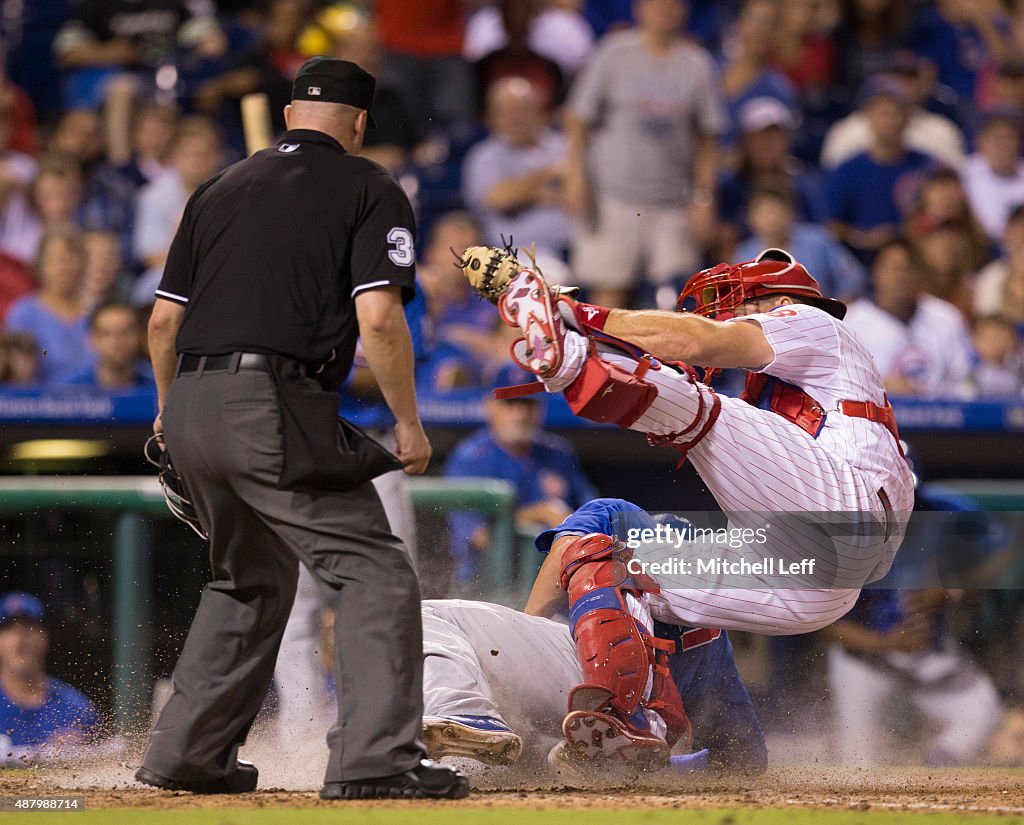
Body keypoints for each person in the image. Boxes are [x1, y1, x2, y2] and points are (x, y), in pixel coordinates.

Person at [137, 56, 467, 800]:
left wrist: (170, 409)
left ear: (289, 115)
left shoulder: (217, 186)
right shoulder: (370, 185)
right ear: (358, 124)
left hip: (188, 400)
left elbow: (163, 321)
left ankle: (187, 753)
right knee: (375, 571)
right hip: (270, 400)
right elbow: (378, 317)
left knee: (247, 579)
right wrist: (409, 422)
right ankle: (377, 760)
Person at [457, 242, 915, 764]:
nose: (730, 314)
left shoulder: (814, 322)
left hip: (846, 513)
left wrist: (580, 316)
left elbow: (697, 339)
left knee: (696, 409)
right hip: (817, 580)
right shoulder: (776, 402)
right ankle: (630, 720)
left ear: (777, 300)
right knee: (614, 570)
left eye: (741, 305)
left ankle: (571, 357)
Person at [564, 0, 726, 309]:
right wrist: (574, 176)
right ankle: (607, 359)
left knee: (675, 301)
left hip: (673, 202)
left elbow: (708, 140)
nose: (664, 9)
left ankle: (668, 360)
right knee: (609, 297)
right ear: (639, 8)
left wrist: (705, 199)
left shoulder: (697, 63)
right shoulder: (613, 53)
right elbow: (577, 120)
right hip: (612, 196)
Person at [444, 363, 597, 586]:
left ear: (540, 408)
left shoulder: (558, 454)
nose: (520, 414)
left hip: (557, 583)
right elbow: (479, 536)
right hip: (487, 585)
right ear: (490, 406)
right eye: (510, 403)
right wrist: (537, 514)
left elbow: (592, 513)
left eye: (527, 403)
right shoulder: (470, 458)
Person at [844, 238, 973, 398]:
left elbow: (965, 380)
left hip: (940, 418)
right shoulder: (851, 322)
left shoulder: (946, 317)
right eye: (894, 269)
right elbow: (842, 385)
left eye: (908, 269)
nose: (900, 277)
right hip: (873, 418)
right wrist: (878, 386)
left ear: (919, 274)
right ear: (875, 273)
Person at [0, 592, 102, 764]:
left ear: (44, 637)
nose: (19, 640)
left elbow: (103, 768)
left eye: (28, 629)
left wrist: (75, 755)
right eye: (9, 630)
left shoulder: (76, 708)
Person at [58, 300, 153, 389]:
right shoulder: (68, 391)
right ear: (92, 339)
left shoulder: (155, 387)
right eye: (107, 333)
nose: (117, 341)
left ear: (139, 336)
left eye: (125, 332)